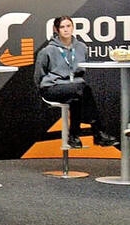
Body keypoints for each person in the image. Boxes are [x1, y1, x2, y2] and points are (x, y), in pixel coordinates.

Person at [34, 15, 119, 149]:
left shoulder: (81, 47)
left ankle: (74, 137)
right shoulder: (47, 51)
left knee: (77, 97)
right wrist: (45, 87)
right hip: (52, 87)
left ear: (73, 27)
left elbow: (81, 69)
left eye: (69, 26)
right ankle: (98, 131)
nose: (66, 30)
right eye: (62, 27)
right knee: (83, 90)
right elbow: (38, 75)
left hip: (75, 88)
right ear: (56, 30)